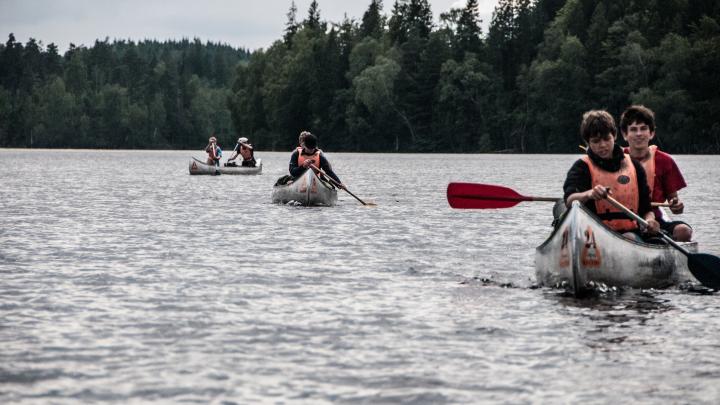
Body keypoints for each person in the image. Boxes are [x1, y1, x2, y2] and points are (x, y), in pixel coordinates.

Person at [563, 110, 659, 241]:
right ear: (588, 142)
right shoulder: (581, 167)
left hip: (631, 232)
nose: (602, 145)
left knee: (630, 237)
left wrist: (650, 220)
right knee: (628, 238)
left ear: (614, 136)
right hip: (592, 235)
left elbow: (646, 208)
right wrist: (589, 194)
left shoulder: (634, 166)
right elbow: (569, 201)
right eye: (596, 141)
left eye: (607, 139)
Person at [620, 105, 693, 242]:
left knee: (684, 232)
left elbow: (675, 206)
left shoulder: (665, 161)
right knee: (629, 238)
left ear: (651, 133)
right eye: (633, 130)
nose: (639, 134)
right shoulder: (615, 159)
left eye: (643, 128)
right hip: (624, 220)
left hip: (655, 220)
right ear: (625, 134)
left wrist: (676, 205)